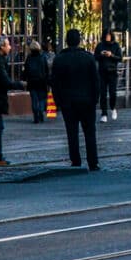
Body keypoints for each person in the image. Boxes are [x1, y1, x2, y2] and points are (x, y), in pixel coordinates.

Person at [52, 28, 101, 170]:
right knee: (90, 132)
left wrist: (58, 101)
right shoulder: (88, 57)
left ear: (67, 41)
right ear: (79, 41)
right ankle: (93, 162)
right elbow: (95, 81)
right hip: (87, 101)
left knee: (72, 133)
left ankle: (75, 161)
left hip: (68, 102)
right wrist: (95, 98)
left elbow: (55, 82)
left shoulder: (60, 59)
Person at [0, 36, 20, 163]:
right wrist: (20, 85)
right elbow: (4, 81)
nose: (10, 47)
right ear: (1, 47)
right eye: (7, 45)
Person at [94, 29, 123, 123]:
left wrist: (111, 55)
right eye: (106, 35)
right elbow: (95, 57)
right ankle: (104, 114)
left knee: (112, 93)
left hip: (112, 72)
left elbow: (120, 58)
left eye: (109, 35)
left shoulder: (116, 45)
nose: (107, 37)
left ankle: (113, 108)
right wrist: (101, 54)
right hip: (102, 72)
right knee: (102, 94)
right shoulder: (100, 45)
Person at [25, 42, 51, 125]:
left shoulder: (29, 58)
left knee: (34, 99)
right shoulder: (42, 57)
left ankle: (35, 113)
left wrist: (26, 79)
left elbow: (26, 70)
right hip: (42, 82)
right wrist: (47, 79)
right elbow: (46, 70)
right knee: (42, 99)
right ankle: (40, 110)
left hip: (32, 82)